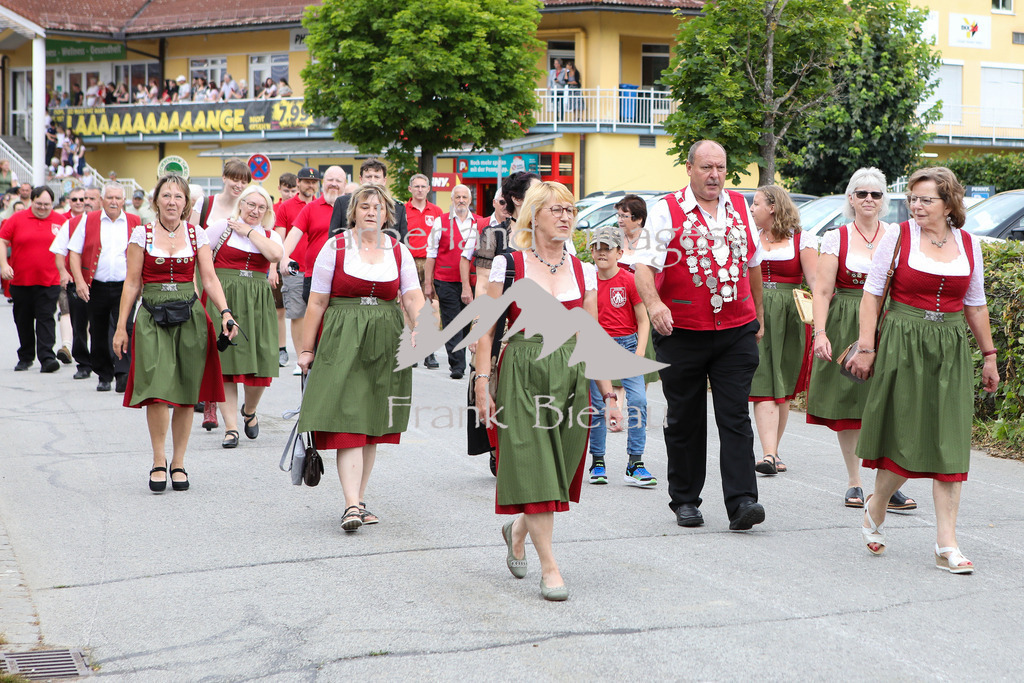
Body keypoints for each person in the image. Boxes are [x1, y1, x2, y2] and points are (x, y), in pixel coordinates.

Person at [474, 181, 622, 601]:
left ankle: (517, 529)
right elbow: (486, 330)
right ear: (534, 215)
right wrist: (482, 384)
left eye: (570, 210)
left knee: (557, 469)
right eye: (555, 209)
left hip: (572, 373)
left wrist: (609, 396)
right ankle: (550, 566)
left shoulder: (583, 269)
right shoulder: (510, 263)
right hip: (523, 370)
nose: (564, 217)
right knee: (534, 464)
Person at [846, 167, 999, 573]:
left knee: (948, 442)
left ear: (948, 203)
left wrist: (989, 355)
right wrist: (866, 347)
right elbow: (871, 295)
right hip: (901, 342)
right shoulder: (898, 236)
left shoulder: (968, 243)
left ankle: (946, 543)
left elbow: (976, 304)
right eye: (912, 198)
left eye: (925, 199)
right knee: (906, 438)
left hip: (949, 347)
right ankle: (876, 505)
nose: (915, 205)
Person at [634, 140, 766, 531]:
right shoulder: (665, 211)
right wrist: (656, 306)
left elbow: (754, 265)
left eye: (721, 168)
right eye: (707, 167)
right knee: (686, 418)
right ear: (689, 168)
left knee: (735, 416)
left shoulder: (741, 207)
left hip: (736, 330)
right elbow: (643, 269)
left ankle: (743, 501)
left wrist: (758, 314)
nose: (714, 176)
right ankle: (686, 500)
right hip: (681, 331)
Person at [296, 183, 425, 532]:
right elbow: (317, 303)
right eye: (365, 206)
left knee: (371, 423)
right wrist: (307, 349)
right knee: (349, 420)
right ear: (353, 212)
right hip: (342, 339)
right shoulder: (334, 247)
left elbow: (412, 296)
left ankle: (359, 499)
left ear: (388, 215)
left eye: (378, 207)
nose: (372, 212)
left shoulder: (398, 251)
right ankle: (351, 503)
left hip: (385, 340)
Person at [112, 175, 237, 493]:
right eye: (166, 196)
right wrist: (121, 327)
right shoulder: (142, 234)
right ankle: (158, 459)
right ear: (156, 201)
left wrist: (225, 313)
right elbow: (132, 283)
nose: (171, 201)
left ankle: (178, 462)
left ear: (186, 203)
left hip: (190, 315)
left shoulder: (196, 235)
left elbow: (209, 279)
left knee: (184, 392)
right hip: (152, 316)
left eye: (178, 197)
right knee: (155, 389)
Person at [808, 168, 916, 511]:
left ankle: (886, 483)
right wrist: (820, 332)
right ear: (851, 198)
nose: (869, 199)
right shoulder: (836, 237)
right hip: (846, 321)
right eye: (862, 193)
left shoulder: (897, 235)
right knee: (851, 404)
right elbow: (823, 291)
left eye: (876, 194)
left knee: (888, 404)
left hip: (889, 322)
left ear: (884, 201)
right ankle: (855, 481)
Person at [204, 185, 283, 448]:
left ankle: (249, 411)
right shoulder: (220, 228)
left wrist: (248, 231)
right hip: (226, 299)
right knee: (226, 365)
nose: (255, 210)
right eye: (251, 205)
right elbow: (200, 257)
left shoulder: (270, 235)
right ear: (241, 204)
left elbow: (275, 255)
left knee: (260, 364)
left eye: (261, 207)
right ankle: (231, 428)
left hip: (258, 303)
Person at [747, 185, 816, 475]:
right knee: (763, 381)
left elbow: (815, 284)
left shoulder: (802, 240)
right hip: (757, 311)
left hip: (791, 315)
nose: (751, 209)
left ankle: (772, 451)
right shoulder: (750, 237)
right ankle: (769, 454)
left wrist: (824, 323)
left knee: (783, 386)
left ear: (772, 207)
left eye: (756, 203)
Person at [586, 226, 652, 487]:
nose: (601, 253)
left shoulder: (629, 279)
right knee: (598, 406)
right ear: (591, 251)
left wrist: (640, 351)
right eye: (597, 248)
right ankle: (598, 461)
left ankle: (635, 462)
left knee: (638, 401)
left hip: (627, 346)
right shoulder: (588, 280)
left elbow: (643, 320)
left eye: (607, 248)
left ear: (619, 252)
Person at [68, 183, 141, 393]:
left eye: (118, 198)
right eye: (110, 198)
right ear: (102, 199)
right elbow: (74, 252)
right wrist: (80, 281)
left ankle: (123, 373)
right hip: (96, 286)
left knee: (125, 327)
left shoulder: (134, 221)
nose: (114, 202)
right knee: (98, 330)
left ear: (123, 201)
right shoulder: (88, 220)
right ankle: (104, 374)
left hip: (125, 286)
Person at [0, 187, 65, 373]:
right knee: (23, 320)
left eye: (47, 205)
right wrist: (4, 265)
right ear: (32, 201)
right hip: (21, 281)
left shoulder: (61, 221)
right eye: (39, 204)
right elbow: (2, 240)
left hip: (50, 280)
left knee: (46, 317)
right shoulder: (17, 219)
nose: (43, 208)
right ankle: (26, 356)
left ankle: (47, 357)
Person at [423, 184, 483, 379]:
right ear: (452, 200)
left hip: (472, 280)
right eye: (457, 197)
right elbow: (431, 255)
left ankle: (463, 355)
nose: (461, 200)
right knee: (452, 322)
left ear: (470, 200)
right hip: (445, 279)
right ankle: (457, 366)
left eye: (465, 197)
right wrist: (428, 283)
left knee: (466, 324)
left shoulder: (479, 223)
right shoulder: (440, 222)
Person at [275, 167, 320, 375]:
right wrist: (276, 267)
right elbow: (280, 240)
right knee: (297, 314)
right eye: (306, 181)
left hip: (319, 269)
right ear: (298, 183)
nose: (310, 185)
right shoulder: (286, 207)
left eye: (314, 182)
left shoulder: (323, 205)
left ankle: (316, 354)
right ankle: (301, 356)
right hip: (296, 268)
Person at [282, 166, 347, 306]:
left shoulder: (352, 209)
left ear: (345, 185)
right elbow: (294, 233)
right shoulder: (311, 207)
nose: (334, 183)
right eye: (330, 180)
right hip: (314, 276)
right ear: (323, 183)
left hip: (344, 277)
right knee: (311, 323)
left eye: (338, 180)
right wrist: (285, 256)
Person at [402, 172, 443, 368]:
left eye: (423, 186)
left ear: (428, 189)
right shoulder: (402, 210)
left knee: (431, 305)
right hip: (408, 260)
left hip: (429, 261)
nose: (419, 190)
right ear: (410, 189)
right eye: (416, 186)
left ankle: (429, 351)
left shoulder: (436, 211)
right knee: (407, 304)